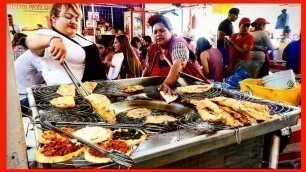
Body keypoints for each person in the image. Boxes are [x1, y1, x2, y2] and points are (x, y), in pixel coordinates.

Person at [25, 3, 106, 85]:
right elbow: (30, 40)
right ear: (54, 18)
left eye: (77, 19)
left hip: (93, 88)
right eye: (68, 17)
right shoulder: (48, 33)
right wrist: (53, 39)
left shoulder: (77, 36)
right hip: (67, 93)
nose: (74, 21)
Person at [142, 15, 210, 95]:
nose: (158, 34)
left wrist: (166, 84)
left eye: (162, 30)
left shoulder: (178, 43)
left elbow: (180, 64)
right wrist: (142, 86)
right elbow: (146, 69)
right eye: (155, 32)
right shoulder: (154, 48)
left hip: (199, 88)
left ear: (171, 32)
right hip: (184, 90)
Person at [217, 8, 240, 77]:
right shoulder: (224, 24)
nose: (237, 17)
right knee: (224, 68)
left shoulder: (230, 24)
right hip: (223, 49)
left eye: (237, 15)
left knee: (228, 68)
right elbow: (220, 38)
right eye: (235, 15)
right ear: (230, 14)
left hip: (228, 49)